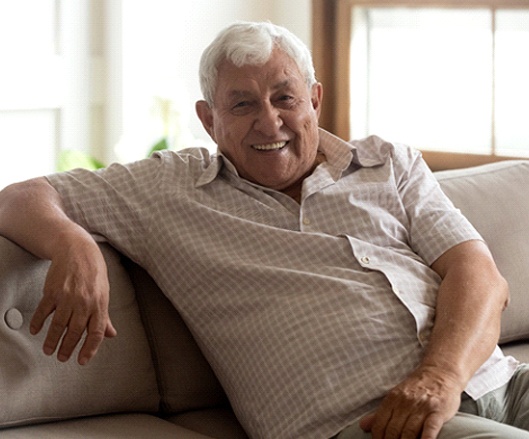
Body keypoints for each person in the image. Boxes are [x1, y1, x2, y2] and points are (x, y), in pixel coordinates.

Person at [0, 21, 528, 439]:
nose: (269, 121)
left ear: (315, 100)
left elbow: (478, 274)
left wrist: (441, 378)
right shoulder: (170, 189)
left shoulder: (388, 164)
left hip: (492, 379)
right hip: (374, 420)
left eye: (285, 98)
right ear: (209, 120)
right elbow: (20, 197)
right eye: (243, 104)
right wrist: (73, 245)